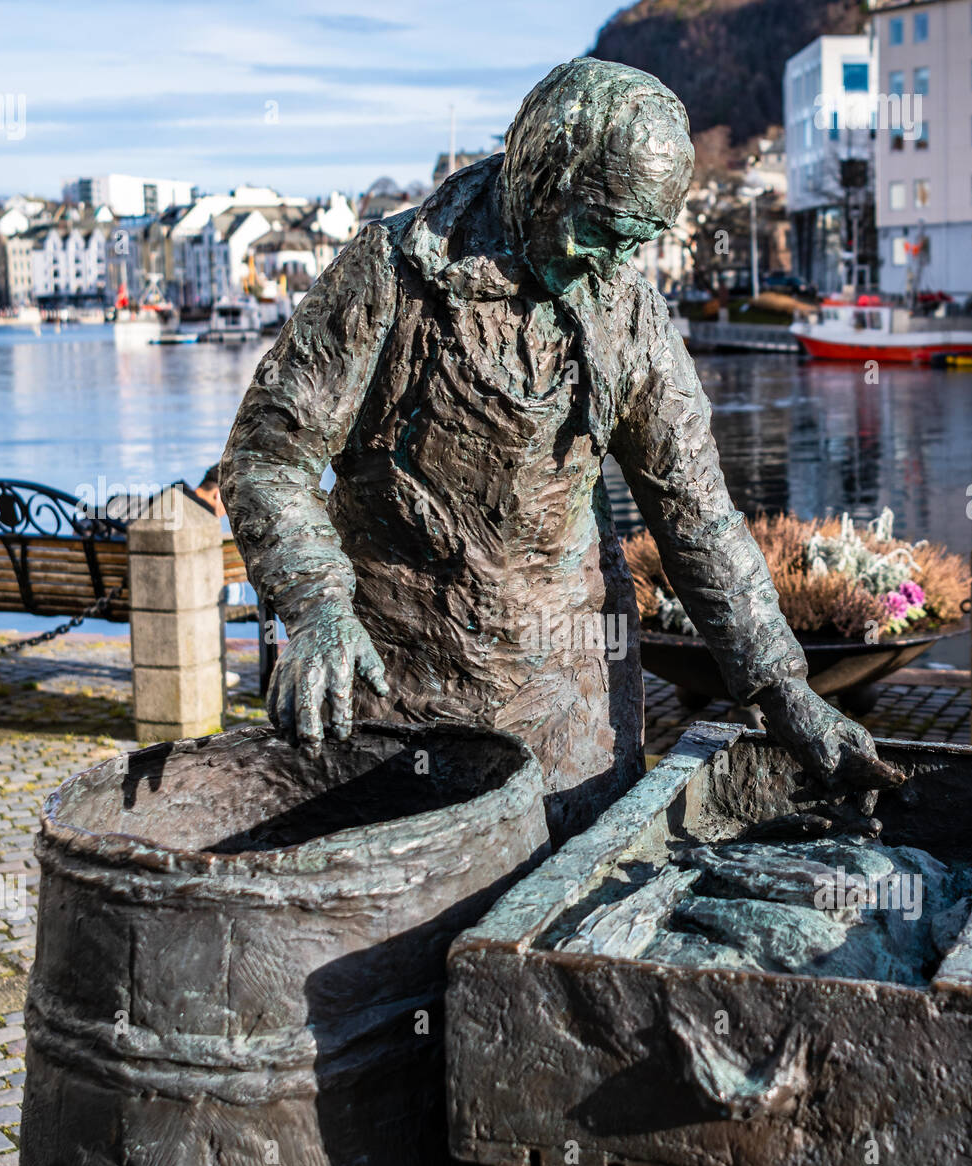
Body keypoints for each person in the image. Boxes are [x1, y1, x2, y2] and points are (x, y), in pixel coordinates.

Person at [222, 57, 900, 842]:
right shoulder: (391, 274)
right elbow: (270, 455)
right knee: (394, 921)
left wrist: (785, 691)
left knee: (554, 912)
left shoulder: (631, 315)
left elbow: (698, 517)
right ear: (542, 174)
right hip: (397, 675)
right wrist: (316, 608)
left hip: (567, 693)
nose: (611, 262)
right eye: (600, 229)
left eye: (635, 241)